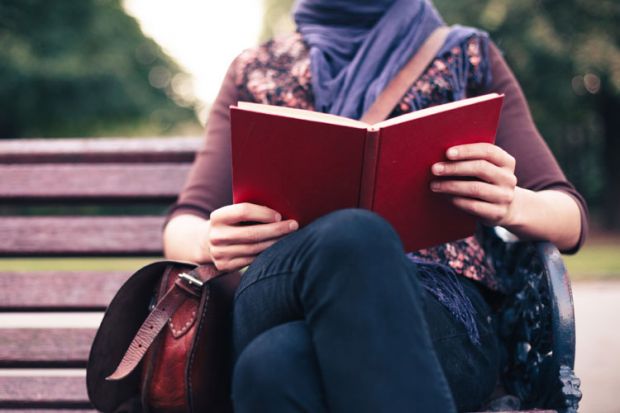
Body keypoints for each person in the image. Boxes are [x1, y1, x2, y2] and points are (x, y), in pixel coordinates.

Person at [163, 0, 588, 411]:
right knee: (353, 235)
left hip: (439, 313)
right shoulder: (252, 69)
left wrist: (511, 203)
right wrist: (209, 239)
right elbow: (181, 227)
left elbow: (568, 216)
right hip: (280, 290)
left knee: (274, 365)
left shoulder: (466, 55)